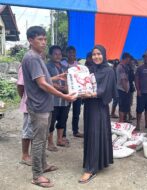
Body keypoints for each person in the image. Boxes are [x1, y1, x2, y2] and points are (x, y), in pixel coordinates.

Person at [22, 26, 77, 188]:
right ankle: (37, 175)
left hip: (45, 106)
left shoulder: (37, 57)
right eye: (40, 39)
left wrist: (56, 77)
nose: (44, 42)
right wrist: (64, 96)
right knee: (38, 141)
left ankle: (43, 165)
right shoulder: (32, 57)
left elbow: (43, 79)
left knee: (43, 138)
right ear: (31, 41)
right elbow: (42, 84)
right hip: (39, 107)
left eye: (45, 39)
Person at [79, 45, 117, 184]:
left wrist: (92, 94)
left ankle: (90, 169)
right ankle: (98, 162)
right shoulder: (90, 70)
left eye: (99, 54)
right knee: (91, 134)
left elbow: (106, 90)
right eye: (94, 54)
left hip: (99, 107)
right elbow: (83, 84)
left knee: (95, 134)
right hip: (89, 106)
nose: (96, 57)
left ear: (104, 54)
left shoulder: (109, 71)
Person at [46, 45, 70, 151]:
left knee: (63, 120)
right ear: (50, 55)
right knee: (51, 121)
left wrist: (68, 89)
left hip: (64, 100)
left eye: (59, 54)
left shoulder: (65, 67)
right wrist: (62, 89)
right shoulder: (47, 67)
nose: (58, 56)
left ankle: (59, 140)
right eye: (55, 54)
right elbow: (46, 81)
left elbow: (70, 81)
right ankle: (50, 142)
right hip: (53, 100)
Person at [63, 46, 83, 138]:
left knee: (76, 112)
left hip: (77, 92)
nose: (72, 55)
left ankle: (75, 131)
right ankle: (63, 134)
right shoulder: (62, 64)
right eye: (70, 53)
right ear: (66, 54)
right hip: (66, 92)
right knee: (64, 113)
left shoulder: (78, 65)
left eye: (73, 53)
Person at [17, 66, 32, 166]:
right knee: (27, 130)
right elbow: (20, 85)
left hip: (38, 105)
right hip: (29, 104)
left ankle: (34, 153)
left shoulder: (40, 63)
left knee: (35, 131)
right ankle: (25, 155)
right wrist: (24, 98)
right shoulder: (25, 65)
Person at [116, 53, 131, 122]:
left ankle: (123, 120)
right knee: (122, 107)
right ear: (126, 58)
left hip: (123, 89)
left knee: (125, 106)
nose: (129, 60)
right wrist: (126, 90)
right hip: (122, 90)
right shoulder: (121, 67)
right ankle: (121, 121)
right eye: (129, 59)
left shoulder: (123, 66)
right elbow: (123, 80)